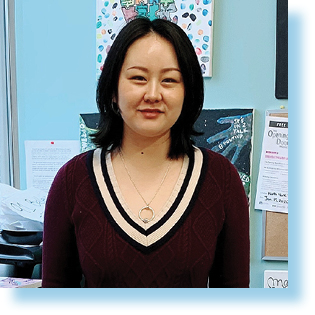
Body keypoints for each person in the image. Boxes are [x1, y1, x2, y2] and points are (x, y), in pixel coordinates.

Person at [42, 18, 249, 288]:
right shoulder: (72, 180)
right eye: (138, 78)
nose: (153, 94)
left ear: (188, 92)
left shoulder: (221, 179)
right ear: (113, 90)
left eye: (169, 80)